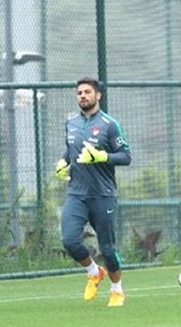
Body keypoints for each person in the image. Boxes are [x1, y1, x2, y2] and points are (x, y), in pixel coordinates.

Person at [55, 77, 132, 307]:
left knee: (107, 248)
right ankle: (94, 271)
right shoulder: (71, 122)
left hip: (103, 194)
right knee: (69, 240)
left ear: (98, 95)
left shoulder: (109, 124)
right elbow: (71, 150)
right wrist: (62, 161)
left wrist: (101, 157)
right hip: (76, 194)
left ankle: (117, 289)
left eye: (87, 92)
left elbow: (126, 156)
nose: (82, 96)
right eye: (79, 92)